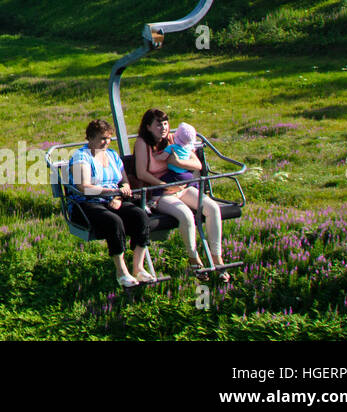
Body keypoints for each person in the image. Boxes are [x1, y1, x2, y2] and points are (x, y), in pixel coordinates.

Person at [134, 109, 228, 282]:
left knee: (212, 208)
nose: (163, 128)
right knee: (185, 216)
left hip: (182, 187)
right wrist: (164, 185)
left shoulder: (173, 139)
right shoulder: (142, 144)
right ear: (148, 127)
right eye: (158, 124)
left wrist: (178, 163)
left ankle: (216, 257)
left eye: (165, 123)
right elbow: (141, 173)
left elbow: (196, 164)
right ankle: (194, 259)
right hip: (160, 192)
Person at [67, 118, 153, 288]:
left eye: (108, 138)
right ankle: (121, 271)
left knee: (140, 215)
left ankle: (138, 267)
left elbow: (124, 182)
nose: (105, 142)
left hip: (112, 199)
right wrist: (111, 193)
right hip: (86, 204)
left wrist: (120, 196)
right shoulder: (80, 157)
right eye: (101, 138)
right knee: (114, 221)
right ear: (90, 139)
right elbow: (83, 187)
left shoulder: (113, 155)